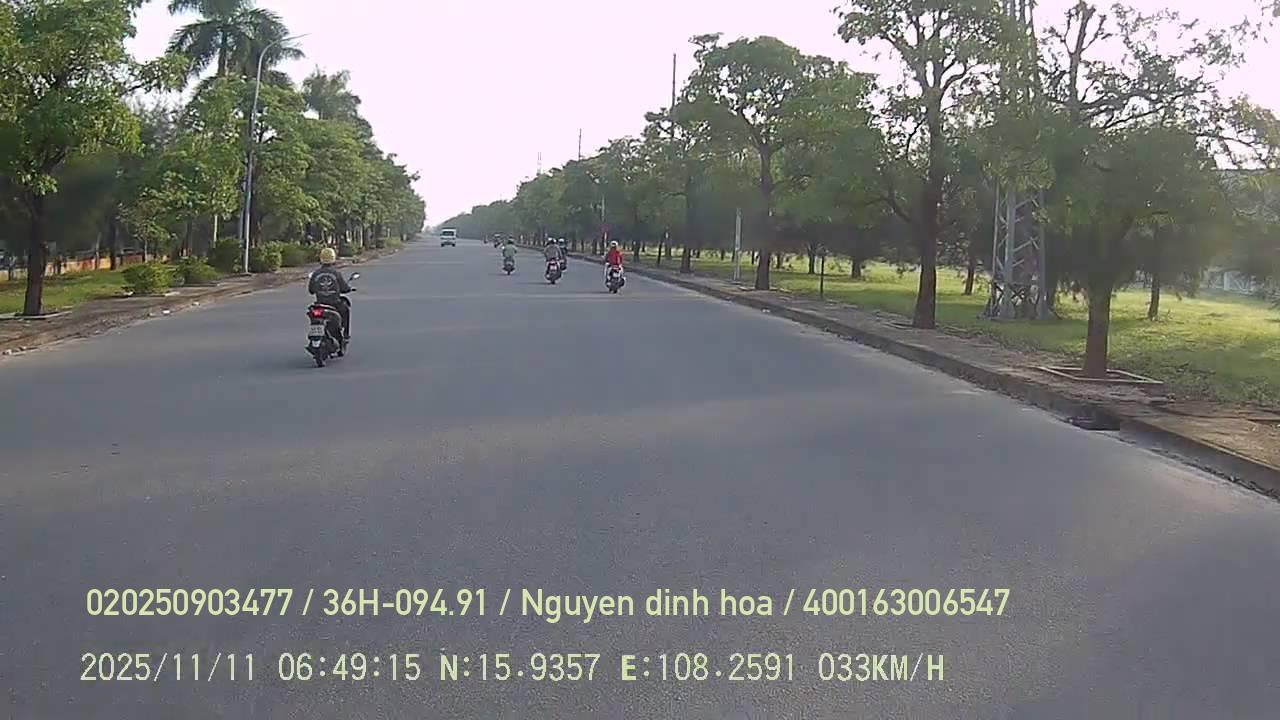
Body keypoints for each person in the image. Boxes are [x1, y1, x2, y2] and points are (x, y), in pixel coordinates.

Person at [308, 247, 351, 339]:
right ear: (333, 258)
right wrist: (348, 289)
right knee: (346, 310)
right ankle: (345, 334)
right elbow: (344, 288)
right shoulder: (336, 273)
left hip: (319, 304)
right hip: (334, 304)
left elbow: (311, 290)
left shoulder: (316, 273)